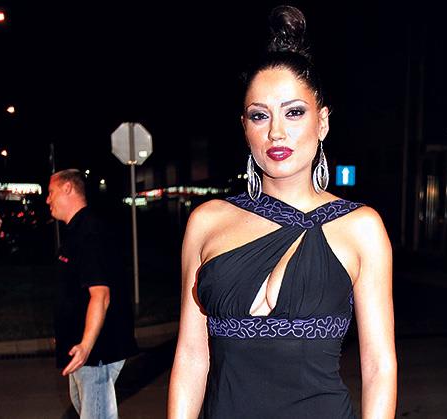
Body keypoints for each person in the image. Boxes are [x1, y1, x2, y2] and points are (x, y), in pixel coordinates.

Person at [168, 5, 396, 418]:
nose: (276, 132)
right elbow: (191, 355)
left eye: (293, 112)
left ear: (322, 122)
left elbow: (379, 366)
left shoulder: (361, 227)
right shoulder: (207, 221)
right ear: (245, 127)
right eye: (260, 116)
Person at [46, 169, 138, 419]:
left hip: (97, 351)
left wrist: (86, 345)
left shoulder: (90, 232)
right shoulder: (76, 231)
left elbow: (101, 295)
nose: (47, 199)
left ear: (68, 188)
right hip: (82, 349)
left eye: (51, 192)